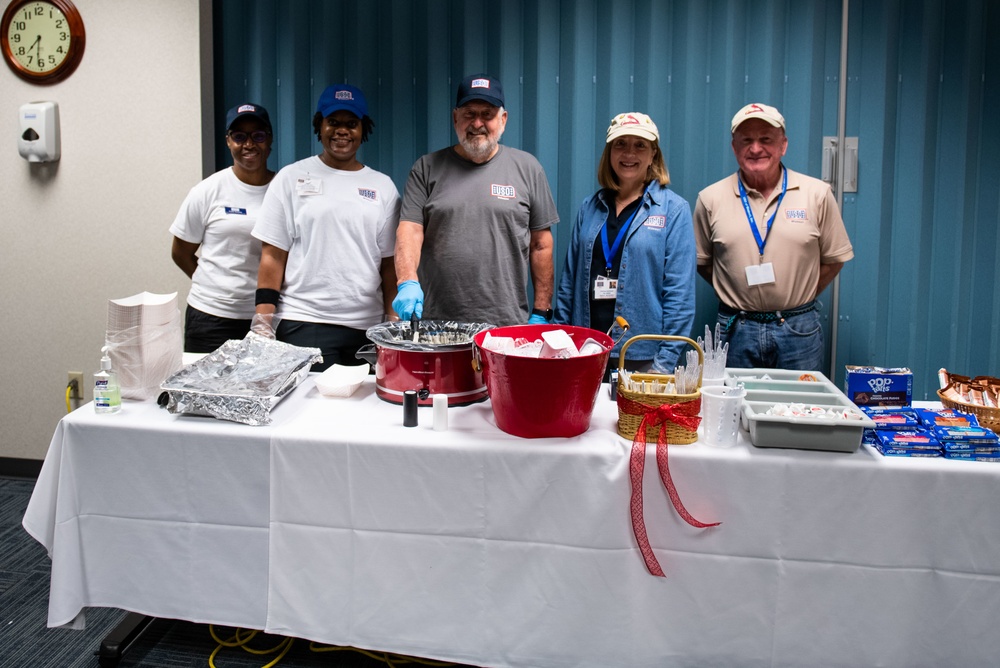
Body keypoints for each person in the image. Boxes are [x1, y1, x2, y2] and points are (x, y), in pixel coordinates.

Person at [692, 102, 854, 370]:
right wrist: (736, 290)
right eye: (747, 141)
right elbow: (702, 261)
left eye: (766, 139)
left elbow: (835, 259)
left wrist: (797, 295)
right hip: (736, 329)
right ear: (734, 148)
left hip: (798, 330)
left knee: (799, 409)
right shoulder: (710, 199)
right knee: (734, 410)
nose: (756, 148)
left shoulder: (816, 194)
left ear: (783, 145)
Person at [251, 84, 400, 371]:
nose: (342, 131)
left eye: (351, 124)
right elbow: (272, 255)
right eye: (333, 122)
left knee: (366, 411)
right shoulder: (291, 177)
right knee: (310, 413)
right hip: (304, 322)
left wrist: (393, 322)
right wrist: (263, 321)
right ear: (320, 125)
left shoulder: (382, 186)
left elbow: (389, 265)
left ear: (362, 129)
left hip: (366, 328)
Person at [392, 73, 559, 326]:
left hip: (506, 325)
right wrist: (406, 282)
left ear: (503, 119)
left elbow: (541, 244)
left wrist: (542, 310)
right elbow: (410, 231)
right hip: (437, 324)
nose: (477, 123)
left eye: (487, 114)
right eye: (469, 114)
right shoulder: (426, 168)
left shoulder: (528, 168)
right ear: (455, 117)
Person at [554, 112, 696, 378]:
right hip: (585, 350)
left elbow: (680, 297)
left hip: (641, 358)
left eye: (640, 145)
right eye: (621, 144)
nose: (629, 153)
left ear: (653, 154)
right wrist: (559, 344)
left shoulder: (673, 210)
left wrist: (662, 365)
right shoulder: (590, 207)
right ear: (609, 152)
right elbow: (568, 283)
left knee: (631, 422)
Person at [170, 103, 275, 353]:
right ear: (228, 141)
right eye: (239, 137)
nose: (249, 144)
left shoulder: (284, 191)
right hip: (210, 317)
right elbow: (180, 252)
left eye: (258, 136)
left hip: (266, 318)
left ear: (269, 139)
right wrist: (214, 287)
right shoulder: (208, 191)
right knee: (204, 390)